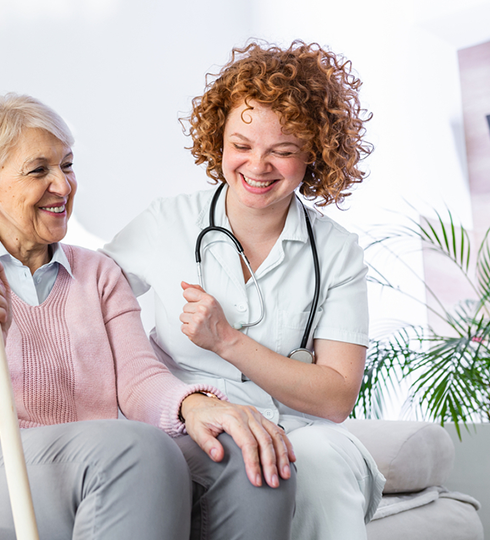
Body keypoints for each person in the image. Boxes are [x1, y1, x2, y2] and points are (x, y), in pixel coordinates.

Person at [0, 93, 296, 540]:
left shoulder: (97, 273)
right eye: (39, 170)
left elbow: (140, 380)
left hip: (81, 459)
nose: (63, 185)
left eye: (67, 165)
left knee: (252, 456)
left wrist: (196, 404)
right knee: (136, 451)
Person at [102, 40, 386, 540]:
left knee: (318, 463)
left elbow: (336, 397)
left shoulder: (336, 251)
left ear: (315, 153)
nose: (258, 166)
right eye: (242, 145)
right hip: (193, 425)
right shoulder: (166, 223)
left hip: (303, 431)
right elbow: (87, 295)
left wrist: (227, 341)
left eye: (283, 151)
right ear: (218, 140)